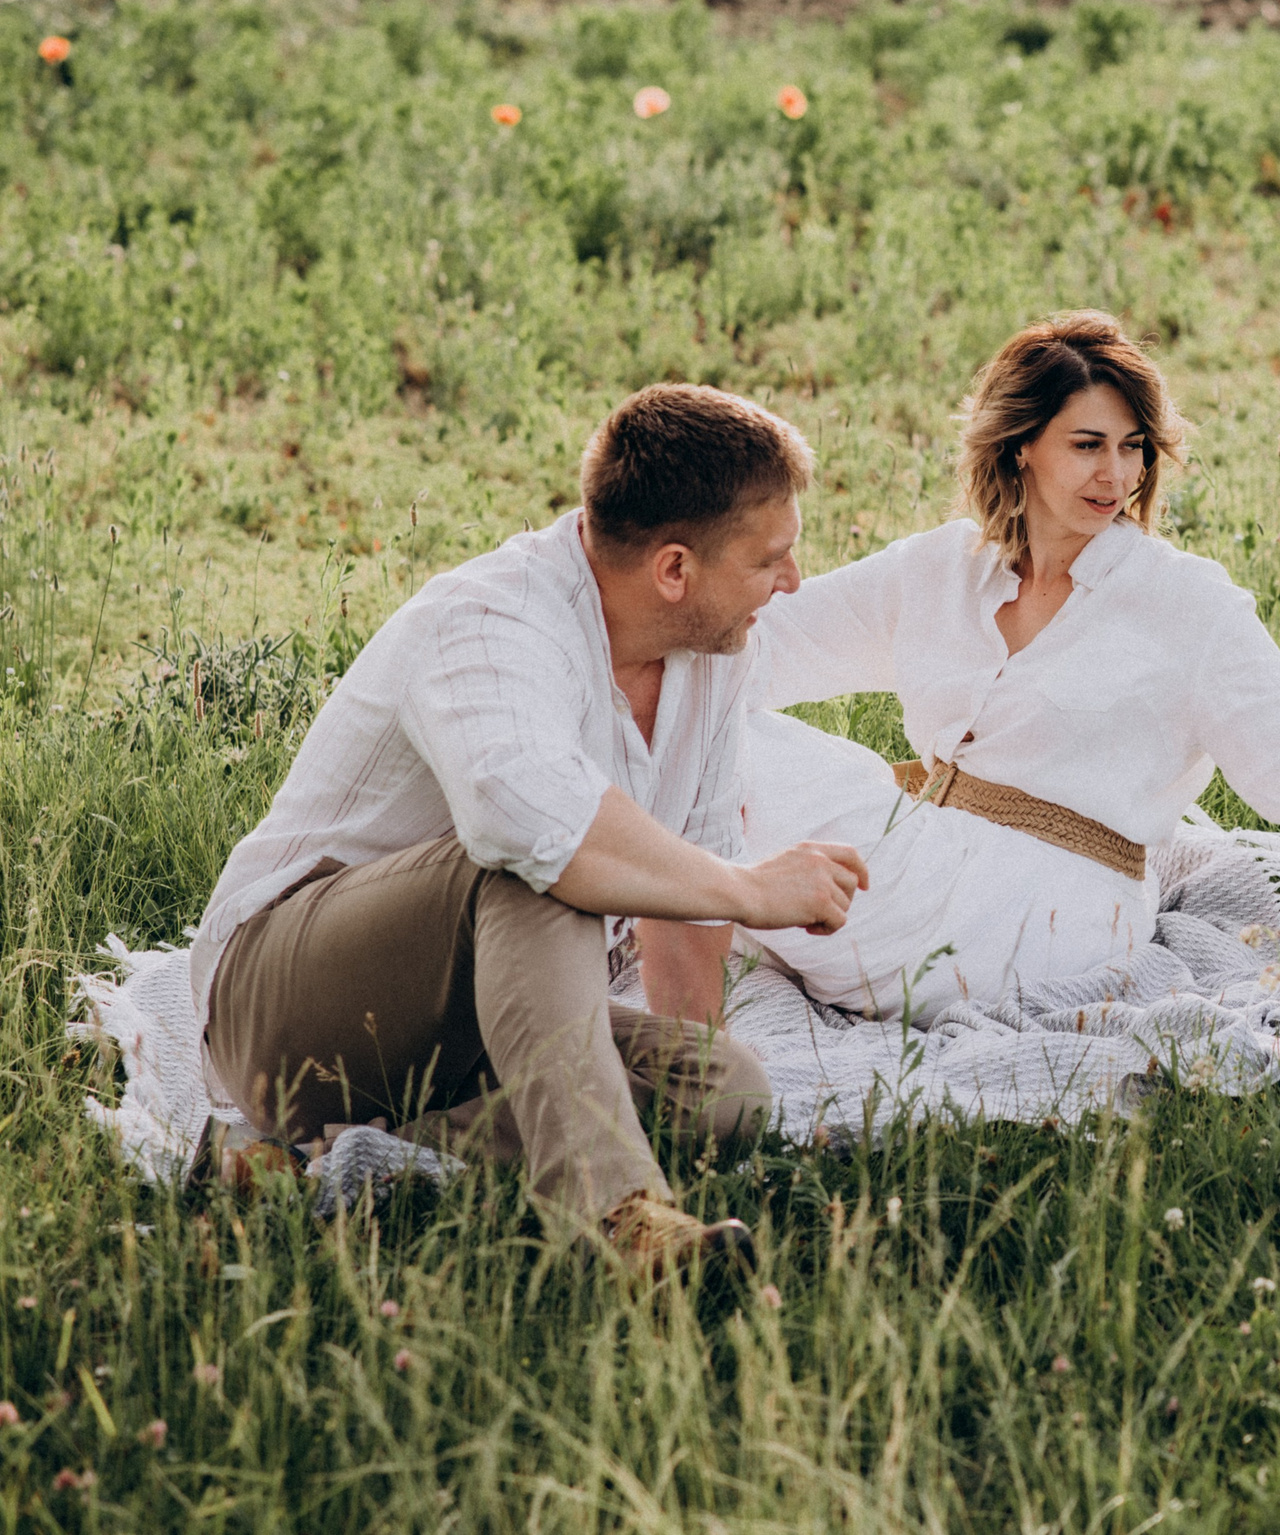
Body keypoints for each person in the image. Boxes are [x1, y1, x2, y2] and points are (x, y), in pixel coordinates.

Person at [192, 384, 871, 1273]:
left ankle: (315, 1164)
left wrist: (687, 1063)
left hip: (478, 1026)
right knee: (532, 861)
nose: (791, 582)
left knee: (724, 1091)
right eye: (770, 559)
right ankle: (622, 1222)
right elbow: (534, 828)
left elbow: (681, 908)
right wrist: (755, 889)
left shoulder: (711, 655)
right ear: (675, 569)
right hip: (287, 1009)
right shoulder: (490, 619)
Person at [737, 310, 1280, 1022]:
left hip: (1066, 907)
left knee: (732, 777)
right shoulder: (943, 568)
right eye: (1087, 446)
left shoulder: (1182, 600)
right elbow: (766, 637)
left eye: (1132, 449)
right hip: (935, 846)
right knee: (722, 734)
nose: (1116, 477)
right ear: (1020, 447)